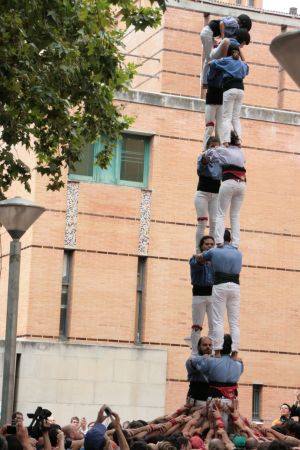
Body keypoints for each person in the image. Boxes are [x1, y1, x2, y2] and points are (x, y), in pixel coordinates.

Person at [196, 230, 242, 357]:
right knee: (234, 322)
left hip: (220, 285)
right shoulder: (238, 253)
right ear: (230, 239)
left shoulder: (214, 251)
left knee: (218, 320)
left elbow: (201, 257)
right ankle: (235, 353)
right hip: (235, 286)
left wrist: (196, 256)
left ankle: (217, 351)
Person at [203, 132, 246, 248]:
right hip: (242, 183)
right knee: (235, 215)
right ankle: (236, 242)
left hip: (229, 182)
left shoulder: (223, 150)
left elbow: (207, 155)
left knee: (221, 213)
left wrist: (214, 149)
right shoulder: (241, 152)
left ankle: (219, 240)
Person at [209, 48, 249, 146]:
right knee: (235, 118)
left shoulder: (227, 60)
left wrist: (221, 60)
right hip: (241, 90)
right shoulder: (242, 64)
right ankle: (238, 140)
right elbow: (247, 67)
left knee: (226, 116)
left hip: (230, 89)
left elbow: (211, 63)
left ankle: (226, 141)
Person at [200, 14, 252, 85]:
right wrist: (222, 37)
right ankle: (205, 82)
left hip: (210, 34)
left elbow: (234, 43)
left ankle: (205, 81)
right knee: (209, 58)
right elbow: (222, 23)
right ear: (242, 24)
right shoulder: (235, 22)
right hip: (207, 33)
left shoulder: (233, 28)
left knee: (209, 58)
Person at [195, 137, 222, 250]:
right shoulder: (203, 157)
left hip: (216, 195)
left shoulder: (221, 160)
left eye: (217, 146)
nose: (215, 149)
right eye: (212, 146)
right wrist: (207, 157)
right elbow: (204, 169)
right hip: (202, 194)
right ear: (207, 147)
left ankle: (212, 250)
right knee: (202, 222)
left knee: (214, 222)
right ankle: (198, 249)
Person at [189, 236, 215, 354]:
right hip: (199, 295)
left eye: (211, 244)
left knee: (214, 326)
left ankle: (212, 352)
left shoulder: (215, 260)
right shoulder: (194, 259)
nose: (209, 246)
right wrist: (199, 256)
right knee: (197, 326)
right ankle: (195, 352)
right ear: (201, 246)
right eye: (207, 244)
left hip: (213, 295)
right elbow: (199, 262)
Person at [186, 336, 213, 406]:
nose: (208, 347)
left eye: (210, 345)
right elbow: (195, 363)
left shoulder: (213, 359)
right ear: (198, 347)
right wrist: (204, 358)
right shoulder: (192, 360)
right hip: (196, 399)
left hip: (210, 399)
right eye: (205, 345)